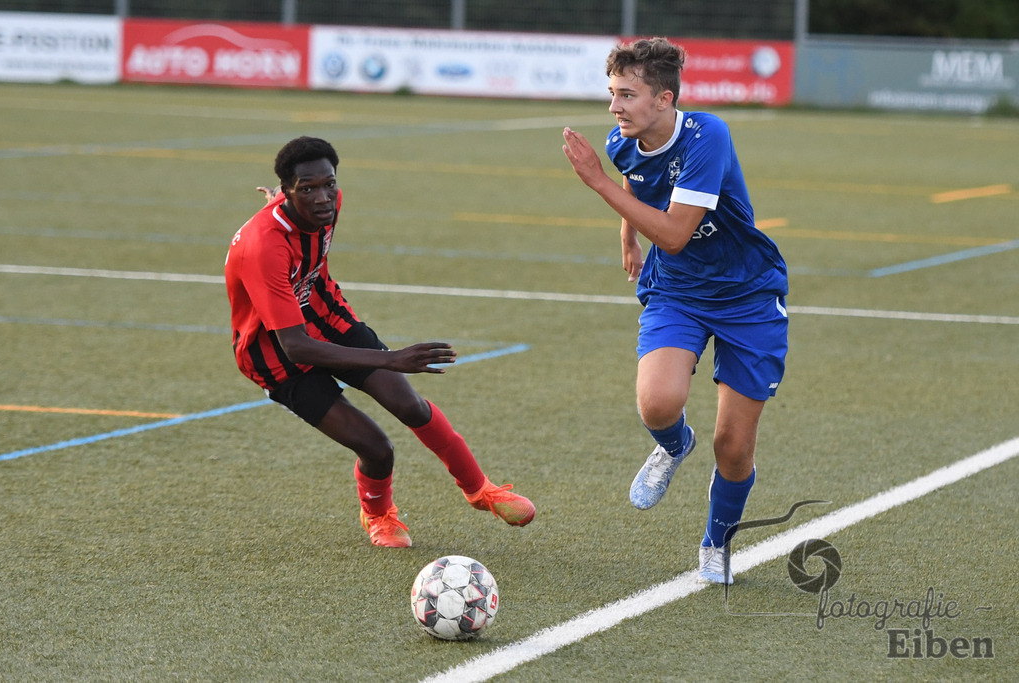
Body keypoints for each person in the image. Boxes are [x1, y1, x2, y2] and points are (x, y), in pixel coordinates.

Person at [224, 136, 535, 548]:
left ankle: (481, 490)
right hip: (276, 355)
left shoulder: (325, 204)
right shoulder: (263, 247)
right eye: (308, 189)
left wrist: (284, 194)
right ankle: (379, 516)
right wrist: (392, 359)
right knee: (376, 447)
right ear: (289, 192)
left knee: (410, 404)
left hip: (327, 317)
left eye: (328, 184)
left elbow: (296, 195)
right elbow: (295, 346)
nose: (323, 198)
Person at [562, 38, 788, 584]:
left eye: (627, 95)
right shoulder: (623, 141)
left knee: (732, 447)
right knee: (658, 403)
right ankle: (672, 445)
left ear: (664, 98)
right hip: (679, 290)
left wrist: (592, 182)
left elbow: (676, 233)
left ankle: (717, 542)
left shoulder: (707, 135)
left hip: (748, 295)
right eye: (611, 93)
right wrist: (626, 240)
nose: (614, 107)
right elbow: (632, 178)